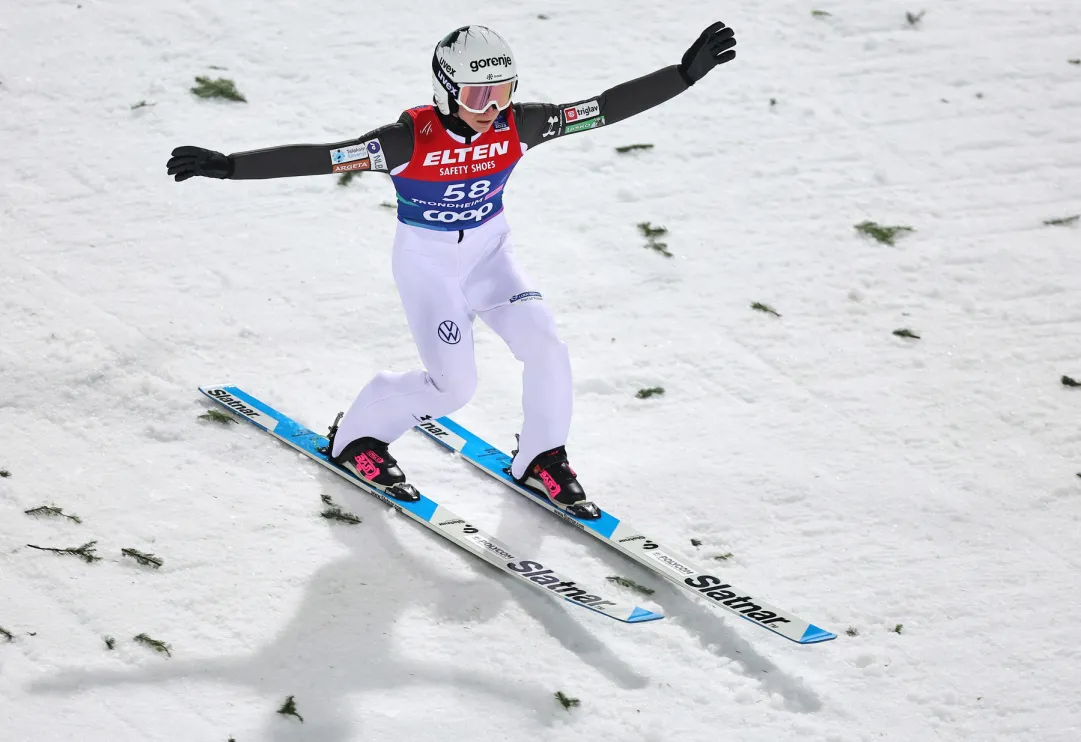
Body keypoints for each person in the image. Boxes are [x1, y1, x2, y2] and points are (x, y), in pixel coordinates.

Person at [167, 23, 737, 518]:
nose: (492, 108)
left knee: (546, 345)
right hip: (428, 265)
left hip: (491, 256)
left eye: (504, 92)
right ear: (445, 90)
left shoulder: (523, 124)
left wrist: (683, 75)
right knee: (454, 387)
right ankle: (360, 434)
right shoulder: (406, 140)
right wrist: (229, 167)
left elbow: (604, 108)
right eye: (478, 94)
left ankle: (542, 455)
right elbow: (324, 157)